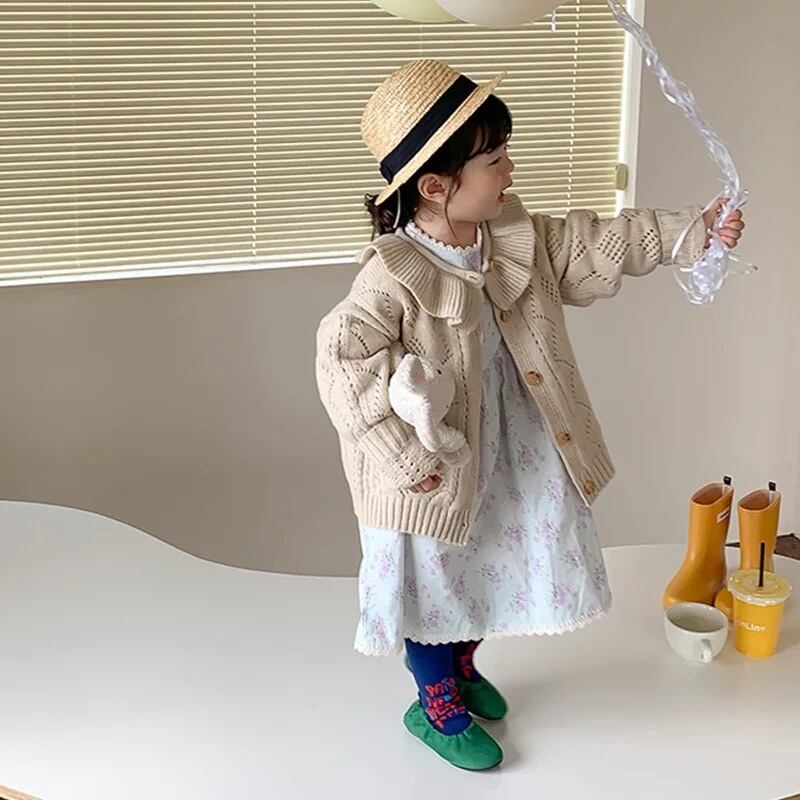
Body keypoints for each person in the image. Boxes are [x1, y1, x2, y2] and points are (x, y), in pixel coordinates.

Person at [314, 58, 744, 771]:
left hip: (511, 445)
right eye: (494, 160)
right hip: (436, 471)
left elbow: (598, 242)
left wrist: (691, 232)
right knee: (438, 579)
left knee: (496, 560)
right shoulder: (391, 275)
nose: (509, 170)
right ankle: (434, 700)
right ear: (435, 186)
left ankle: (462, 664)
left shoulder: (511, 237)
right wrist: (404, 457)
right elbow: (342, 364)